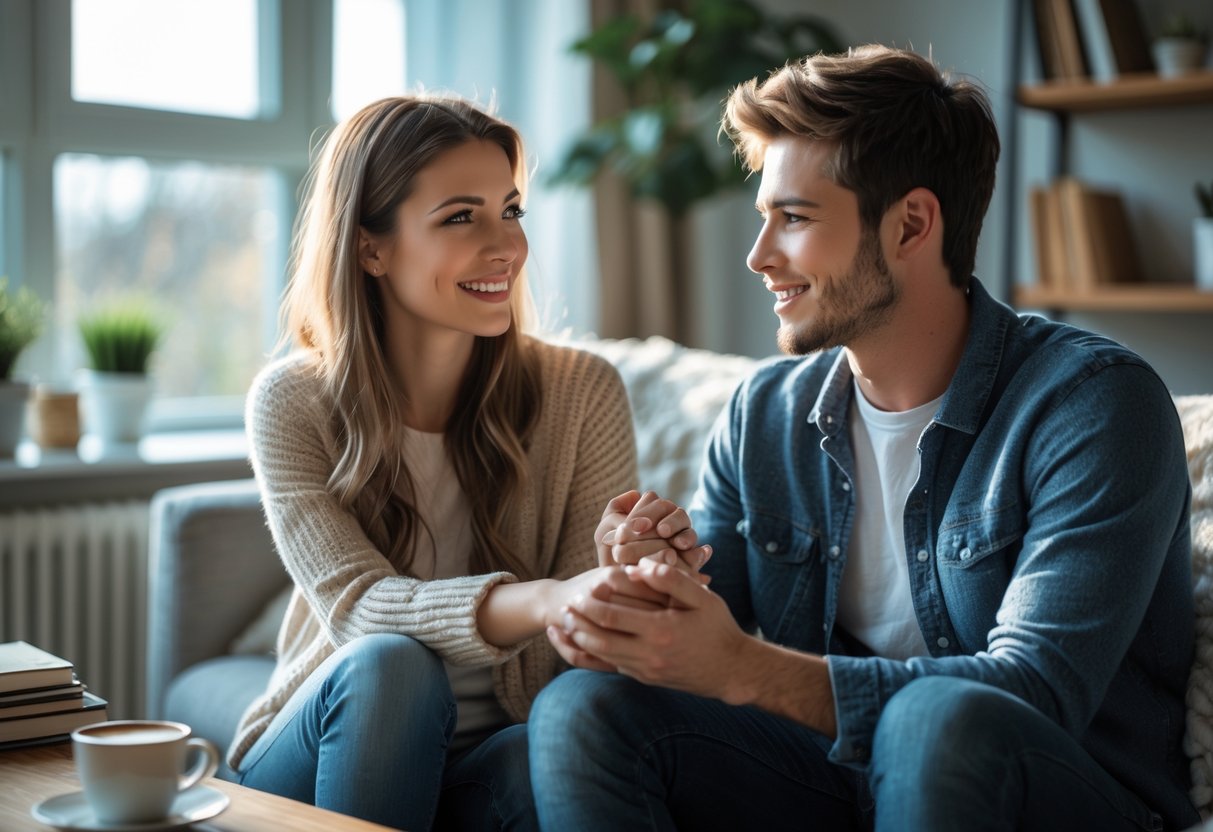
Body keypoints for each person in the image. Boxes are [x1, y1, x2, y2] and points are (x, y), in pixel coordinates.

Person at [527, 45, 1199, 831]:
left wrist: (743, 668)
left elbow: (1036, 691)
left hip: (1055, 787)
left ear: (910, 224)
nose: (759, 256)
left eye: (795, 218)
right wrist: (657, 586)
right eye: (763, 218)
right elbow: (715, 614)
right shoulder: (765, 414)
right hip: (836, 776)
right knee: (587, 705)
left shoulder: (1092, 405)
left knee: (934, 719)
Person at [230, 94, 706, 831]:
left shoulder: (581, 392)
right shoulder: (291, 402)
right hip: (326, 742)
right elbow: (358, 611)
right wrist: (548, 596)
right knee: (393, 665)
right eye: (461, 217)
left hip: (488, 756)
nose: (506, 247)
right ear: (371, 248)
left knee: (548, 753)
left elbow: (593, 637)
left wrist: (632, 568)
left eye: (509, 211)